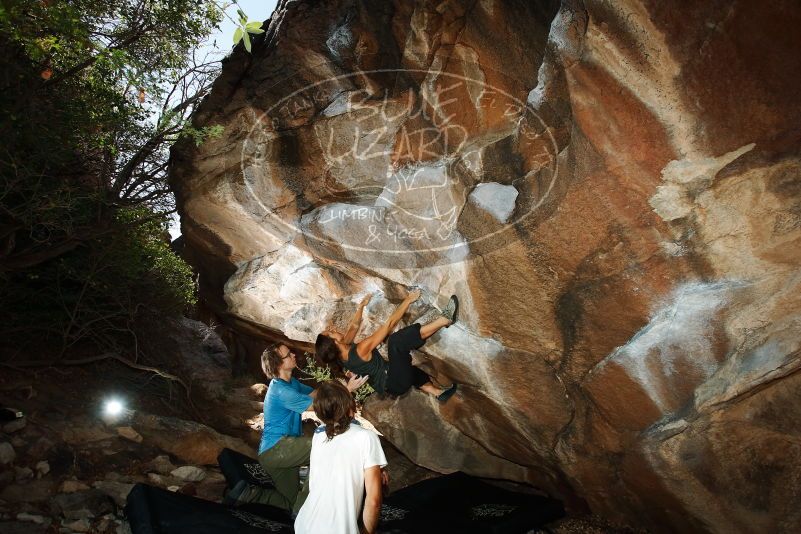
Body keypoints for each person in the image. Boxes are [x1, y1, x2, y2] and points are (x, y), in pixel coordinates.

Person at [224, 343, 368, 515]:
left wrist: (342, 380)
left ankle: (250, 494)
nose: (293, 354)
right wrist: (347, 389)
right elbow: (318, 404)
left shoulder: (290, 383)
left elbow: (317, 393)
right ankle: (304, 515)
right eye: (288, 355)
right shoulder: (280, 391)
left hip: (276, 453)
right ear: (278, 364)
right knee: (324, 448)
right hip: (277, 449)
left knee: (291, 503)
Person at [315, 290, 459, 402]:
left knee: (408, 369)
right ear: (334, 342)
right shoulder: (359, 350)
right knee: (396, 342)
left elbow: (354, 326)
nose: (333, 330)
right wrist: (408, 300)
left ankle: (439, 393)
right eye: (330, 333)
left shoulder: (340, 353)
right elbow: (389, 325)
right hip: (394, 381)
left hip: (391, 384)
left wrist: (361, 307)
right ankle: (445, 319)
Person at [294, 380, 387, 534]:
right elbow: (374, 501)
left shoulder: (318, 436)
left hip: (304, 525)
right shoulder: (366, 438)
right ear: (350, 404)